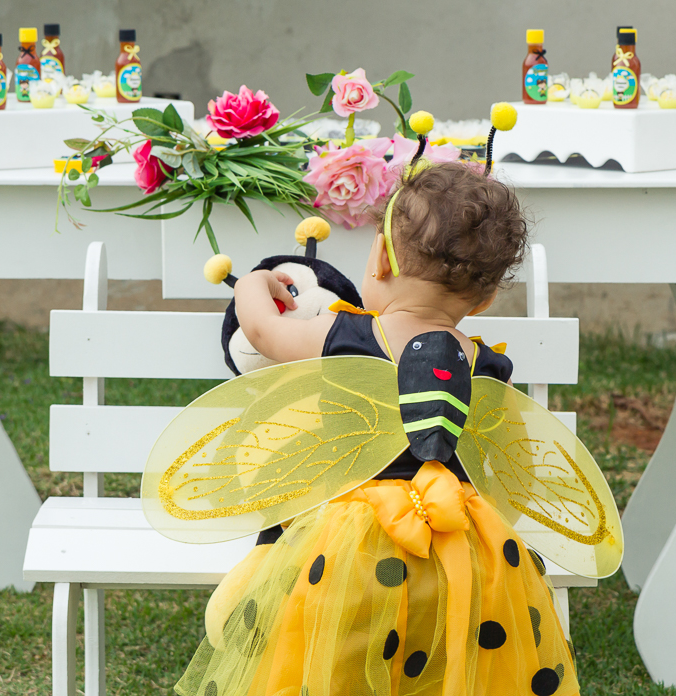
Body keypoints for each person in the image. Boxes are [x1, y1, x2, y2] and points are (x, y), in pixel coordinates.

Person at [174, 162, 580, 696]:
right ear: (485, 299)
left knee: (329, 656)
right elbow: (510, 467)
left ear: (382, 258)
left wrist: (255, 280)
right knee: (447, 658)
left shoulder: (343, 335)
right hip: (459, 552)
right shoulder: (487, 367)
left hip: (341, 546)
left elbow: (260, 330)